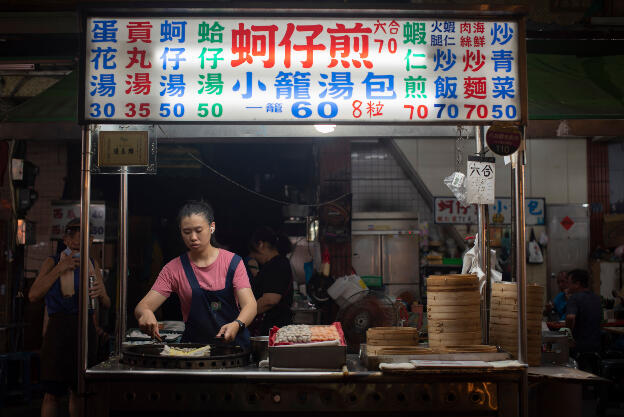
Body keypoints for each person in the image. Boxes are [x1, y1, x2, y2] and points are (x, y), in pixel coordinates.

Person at [134, 201, 256, 348]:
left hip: (235, 349)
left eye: (198, 230)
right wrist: (145, 312)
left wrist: (237, 324)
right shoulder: (173, 269)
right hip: (194, 352)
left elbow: (250, 305)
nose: (193, 237)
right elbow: (142, 306)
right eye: (186, 232)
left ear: (212, 227)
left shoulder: (233, 262)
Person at [28, 218, 110, 417]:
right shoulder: (53, 261)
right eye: (77, 240)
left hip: (85, 329)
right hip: (58, 329)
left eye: (86, 240)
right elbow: (33, 295)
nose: (81, 244)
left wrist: (101, 293)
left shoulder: (92, 263)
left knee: (79, 391)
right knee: (52, 393)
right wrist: (59, 269)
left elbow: (107, 303)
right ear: (67, 240)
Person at [248, 226, 294, 336]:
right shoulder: (273, 264)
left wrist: (243, 316)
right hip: (271, 328)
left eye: (254, 254)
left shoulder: (277, 265)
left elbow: (270, 300)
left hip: (273, 330)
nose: (254, 257)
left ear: (260, 244)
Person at [565, 269, 602, 354]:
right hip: (596, 346)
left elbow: (570, 317)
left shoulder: (575, 298)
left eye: (569, 283)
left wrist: (568, 337)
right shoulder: (596, 298)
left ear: (577, 284)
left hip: (579, 347)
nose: (567, 286)